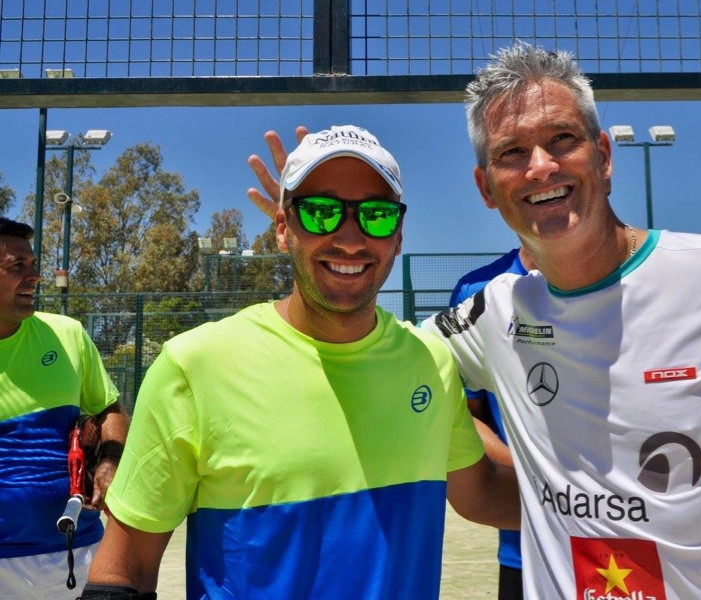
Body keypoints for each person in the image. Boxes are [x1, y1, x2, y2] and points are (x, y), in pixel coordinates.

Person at [245, 45, 701, 600]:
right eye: (512, 153)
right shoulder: (493, 312)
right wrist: (323, 230)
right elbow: (368, 350)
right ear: (486, 187)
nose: (541, 166)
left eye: (562, 140)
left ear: (604, 155)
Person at [82, 125, 519, 600]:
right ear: (282, 228)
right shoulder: (195, 366)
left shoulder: (429, 361)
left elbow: (484, 493)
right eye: (320, 212)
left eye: (375, 215)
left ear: (398, 236)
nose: (349, 239)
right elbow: (123, 570)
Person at [0, 217, 127, 599]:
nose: (34, 276)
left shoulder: (67, 334)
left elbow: (109, 410)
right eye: (17, 266)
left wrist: (109, 461)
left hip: (79, 549)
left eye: (33, 264)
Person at [449, 247, 534, 600]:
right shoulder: (476, 291)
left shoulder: (651, 278)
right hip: (524, 552)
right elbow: (466, 413)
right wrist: (538, 472)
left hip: (640, 543)